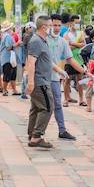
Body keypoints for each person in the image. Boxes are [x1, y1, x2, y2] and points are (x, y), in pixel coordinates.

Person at [48, 14, 88, 140]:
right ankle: (35, 133)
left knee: (57, 105)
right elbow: (46, 60)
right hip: (41, 78)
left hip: (54, 78)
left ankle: (62, 130)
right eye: (54, 25)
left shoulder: (62, 41)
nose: (57, 28)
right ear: (49, 25)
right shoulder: (43, 39)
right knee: (41, 107)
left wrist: (85, 71)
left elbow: (70, 59)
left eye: (59, 25)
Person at [26, 15, 63, 149]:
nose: (53, 28)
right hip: (40, 81)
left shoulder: (42, 40)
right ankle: (37, 136)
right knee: (48, 107)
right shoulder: (36, 41)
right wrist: (31, 82)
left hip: (42, 80)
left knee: (36, 108)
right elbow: (31, 62)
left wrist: (59, 70)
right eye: (50, 26)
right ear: (44, 27)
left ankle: (32, 134)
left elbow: (46, 60)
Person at [64, 15, 86, 107]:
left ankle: (81, 99)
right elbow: (67, 47)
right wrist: (78, 44)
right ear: (71, 23)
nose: (77, 24)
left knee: (80, 79)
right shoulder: (66, 34)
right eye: (75, 22)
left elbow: (83, 44)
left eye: (78, 23)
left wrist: (72, 43)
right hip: (69, 60)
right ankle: (66, 99)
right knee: (67, 80)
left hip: (79, 59)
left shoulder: (80, 33)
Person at [0, 21, 20, 96]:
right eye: (11, 28)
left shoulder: (6, 35)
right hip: (7, 58)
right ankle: (5, 90)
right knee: (7, 74)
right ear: (8, 29)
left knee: (12, 74)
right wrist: (17, 44)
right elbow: (8, 47)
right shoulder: (7, 36)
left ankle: (14, 90)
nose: (12, 29)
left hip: (10, 58)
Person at [20, 22, 36, 100]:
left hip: (28, 58)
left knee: (26, 75)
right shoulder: (27, 36)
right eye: (31, 28)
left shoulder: (28, 36)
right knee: (26, 75)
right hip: (27, 58)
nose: (32, 29)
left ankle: (24, 92)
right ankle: (23, 92)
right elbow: (27, 48)